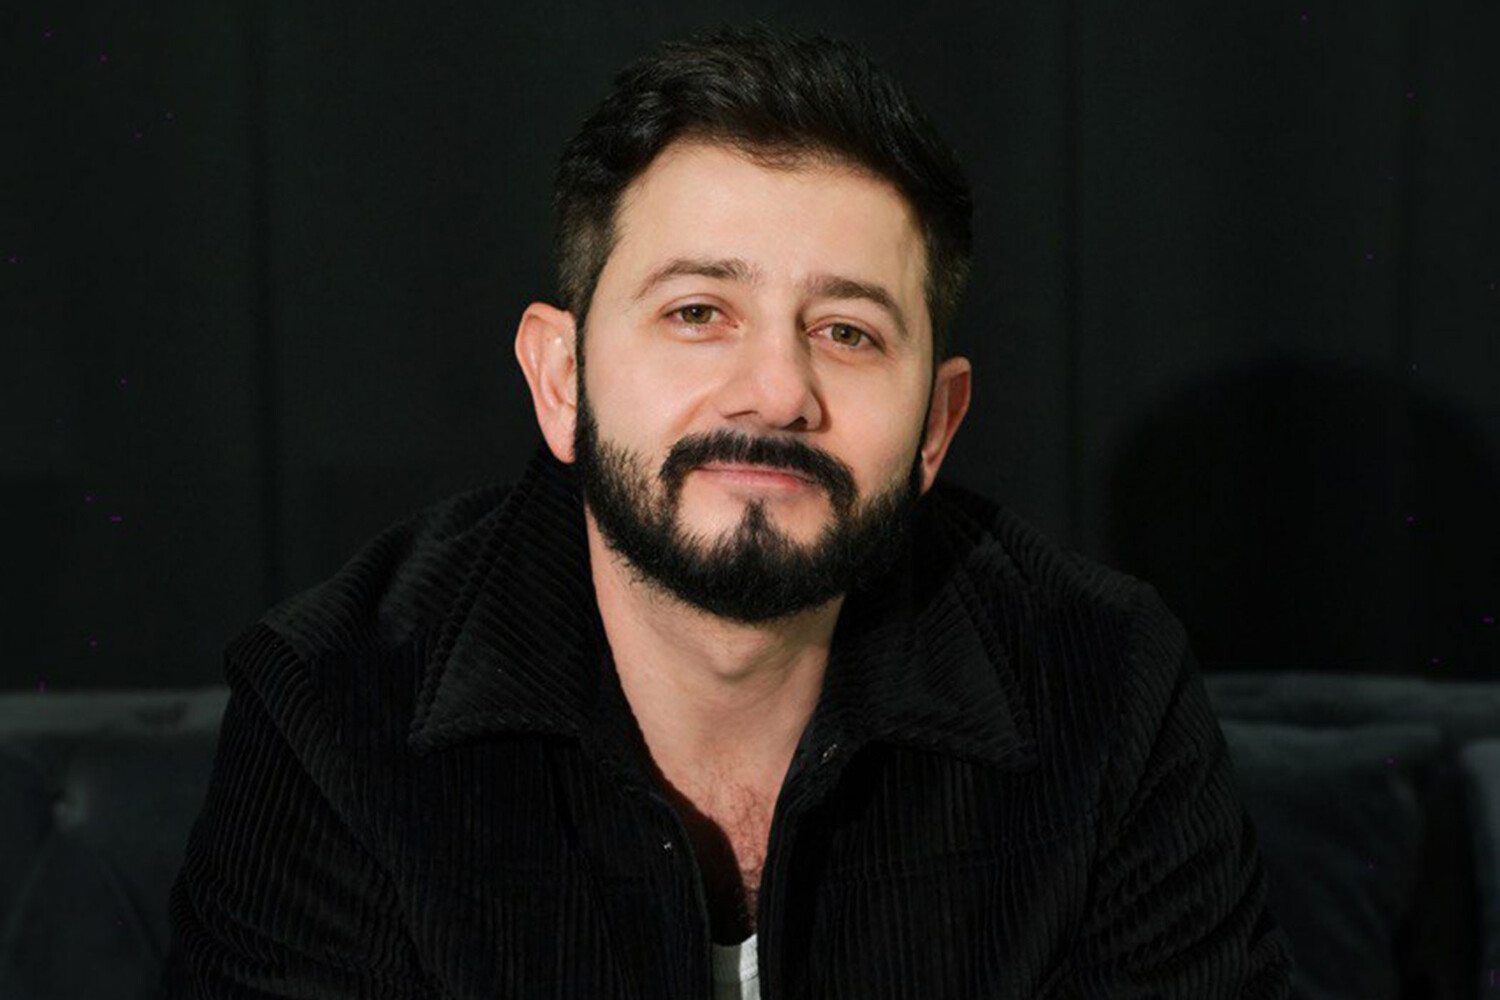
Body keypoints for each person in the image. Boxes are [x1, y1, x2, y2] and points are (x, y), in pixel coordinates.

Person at [161, 25, 1293, 1000]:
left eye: (847, 331)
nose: (777, 392)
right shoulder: (333, 707)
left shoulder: (1106, 686)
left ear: (937, 426)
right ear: (561, 379)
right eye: (699, 311)